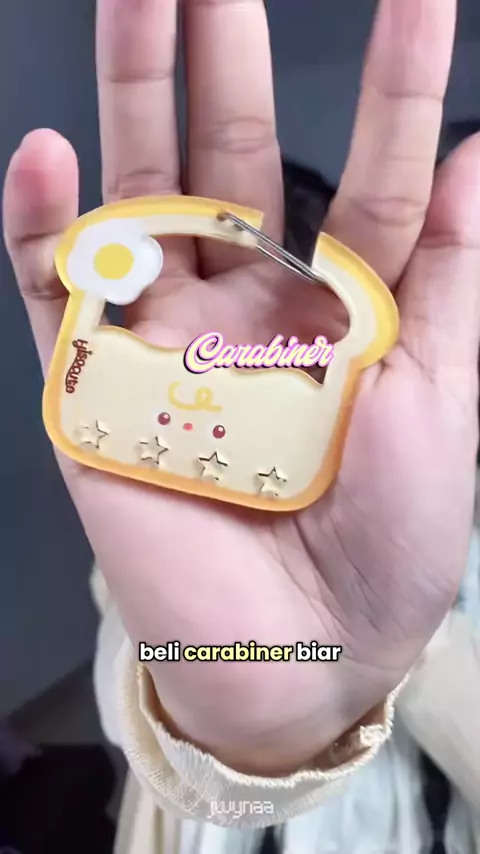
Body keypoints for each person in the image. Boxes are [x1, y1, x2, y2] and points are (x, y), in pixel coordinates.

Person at [3, 0, 480, 851]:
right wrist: (260, 729)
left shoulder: (442, 527)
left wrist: (410, 654)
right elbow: (133, 703)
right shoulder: (148, 527)